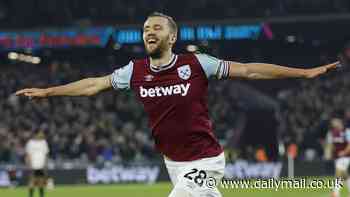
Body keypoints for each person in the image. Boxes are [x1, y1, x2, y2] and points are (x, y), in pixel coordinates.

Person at [16, 12, 338, 197]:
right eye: (145, 29)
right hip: (174, 163)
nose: (149, 32)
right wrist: (48, 92)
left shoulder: (198, 64)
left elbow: (249, 69)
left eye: (156, 27)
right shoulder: (135, 71)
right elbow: (92, 85)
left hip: (206, 160)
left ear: (172, 37)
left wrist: (304, 72)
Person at [326, 118, 350, 197]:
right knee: (345, 175)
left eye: (336, 123)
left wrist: (344, 152)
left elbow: (349, 144)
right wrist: (329, 153)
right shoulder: (331, 133)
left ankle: (335, 193)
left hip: (345, 157)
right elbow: (330, 145)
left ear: (340, 123)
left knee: (338, 173)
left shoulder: (346, 131)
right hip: (337, 157)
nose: (334, 125)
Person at [25, 131, 49, 197]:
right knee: (32, 181)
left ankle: (41, 195)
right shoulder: (30, 143)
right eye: (40, 133)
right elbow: (28, 155)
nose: (42, 134)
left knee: (41, 182)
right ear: (36, 134)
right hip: (33, 165)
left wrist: (45, 164)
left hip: (41, 165)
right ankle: (31, 195)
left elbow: (46, 154)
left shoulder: (44, 143)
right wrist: (29, 164)